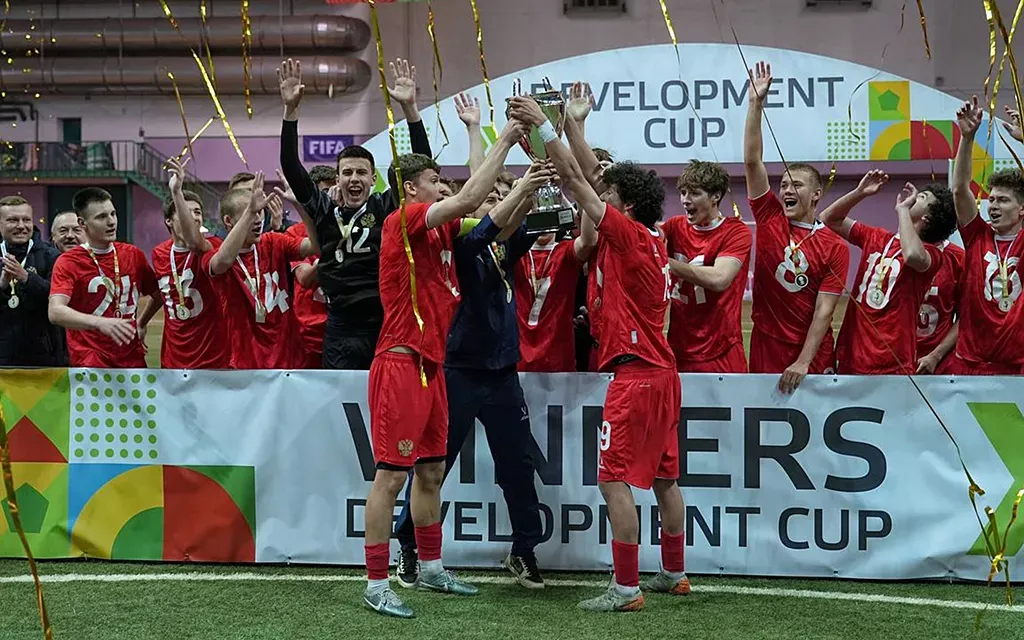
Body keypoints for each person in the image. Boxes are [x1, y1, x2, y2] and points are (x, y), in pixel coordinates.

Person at [510, 95, 687, 613]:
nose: (599, 195)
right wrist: (571, 124)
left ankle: (626, 588)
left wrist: (545, 126)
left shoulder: (626, 235)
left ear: (623, 205)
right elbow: (589, 173)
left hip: (636, 376)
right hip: (662, 373)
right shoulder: (650, 236)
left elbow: (574, 178)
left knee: (613, 479)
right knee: (665, 478)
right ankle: (674, 572)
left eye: (609, 194)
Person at [361, 119, 525, 619]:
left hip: (432, 366)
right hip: (400, 362)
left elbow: (489, 216)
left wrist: (526, 187)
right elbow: (470, 196)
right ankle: (375, 583)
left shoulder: (442, 230)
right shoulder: (403, 219)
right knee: (390, 479)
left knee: (431, 471)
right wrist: (504, 139)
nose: (444, 186)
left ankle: (431, 567)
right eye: (435, 180)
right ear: (412, 189)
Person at [393, 162, 554, 592]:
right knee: (432, 466)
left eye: (497, 198)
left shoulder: (503, 247)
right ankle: (409, 545)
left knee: (518, 465)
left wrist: (532, 190)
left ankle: (524, 549)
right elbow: (489, 228)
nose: (494, 204)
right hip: (458, 370)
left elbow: (518, 225)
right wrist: (519, 189)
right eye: (488, 199)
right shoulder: (460, 244)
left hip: (502, 371)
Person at [279, 57, 432, 370]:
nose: (354, 179)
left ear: (373, 179)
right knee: (339, 395)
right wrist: (290, 111)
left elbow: (420, 166)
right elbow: (291, 166)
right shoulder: (324, 210)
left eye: (361, 172)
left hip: (383, 321)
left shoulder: (384, 207)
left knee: (381, 394)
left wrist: (410, 109)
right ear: (337, 179)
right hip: (340, 325)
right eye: (347, 172)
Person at [744, 61, 850, 392]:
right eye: (784, 185)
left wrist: (804, 360)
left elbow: (825, 311)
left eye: (797, 185)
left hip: (811, 353)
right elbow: (752, 162)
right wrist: (755, 104)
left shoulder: (836, 247)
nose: (787, 190)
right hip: (766, 345)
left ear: (816, 194)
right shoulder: (770, 217)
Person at [820, 171, 956, 374]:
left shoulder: (933, 255)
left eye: (921, 197)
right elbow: (829, 218)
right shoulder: (877, 237)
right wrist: (860, 192)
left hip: (892, 363)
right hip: (852, 356)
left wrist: (903, 210)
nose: (912, 197)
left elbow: (912, 256)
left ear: (927, 218)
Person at [207, 172, 317, 369]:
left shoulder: (274, 241)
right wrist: (251, 211)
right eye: (250, 214)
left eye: (260, 212)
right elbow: (222, 262)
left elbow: (315, 246)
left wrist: (301, 205)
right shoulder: (216, 251)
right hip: (244, 366)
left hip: (287, 362)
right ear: (228, 221)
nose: (258, 219)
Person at [949, 97, 1024, 374]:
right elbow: (960, 189)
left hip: (1017, 366)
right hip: (971, 363)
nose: (993, 206)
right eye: (991, 200)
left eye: (1002, 200)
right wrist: (967, 138)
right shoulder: (977, 236)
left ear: (1021, 209)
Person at [49, 187, 159, 367]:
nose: (111, 222)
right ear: (82, 223)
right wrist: (100, 323)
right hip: (90, 364)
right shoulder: (68, 261)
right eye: (101, 217)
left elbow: (159, 294)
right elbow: (55, 312)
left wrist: (142, 322)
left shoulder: (133, 254)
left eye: (113, 214)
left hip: (132, 361)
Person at [662, 161, 752, 373]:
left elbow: (719, 279)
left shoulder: (736, 232)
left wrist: (663, 260)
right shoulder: (674, 227)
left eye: (694, 193)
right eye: (683, 192)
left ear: (715, 196)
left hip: (722, 351)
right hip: (678, 349)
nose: (685, 200)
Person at [141, 157, 231, 370]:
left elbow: (194, 242)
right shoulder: (159, 253)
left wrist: (177, 193)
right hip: (173, 358)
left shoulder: (212, 246)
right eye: (186, 211)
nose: (194, 217)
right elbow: (163, 293)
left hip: (213, 357)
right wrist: (141, 322)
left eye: (198, 212)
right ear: (169, 221)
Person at [0, 195, 64, 366]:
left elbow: (58, 299)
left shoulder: (52, 256)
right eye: (13, 220)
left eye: (26, 220)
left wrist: (27, 279)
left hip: (43, 359)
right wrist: (2, 287)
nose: (21, 226)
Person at [916, 240, 964, 374]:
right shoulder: (899, 251)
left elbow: (965, 318)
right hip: (896, 359)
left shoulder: (958, 258)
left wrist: (935, 356)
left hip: (939, 363)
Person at [286, 222, 327, 368]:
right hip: (307, 333)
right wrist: (332, 254)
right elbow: (304, 278)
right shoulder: (295, 232)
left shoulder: (351, 227)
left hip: (343, 330)